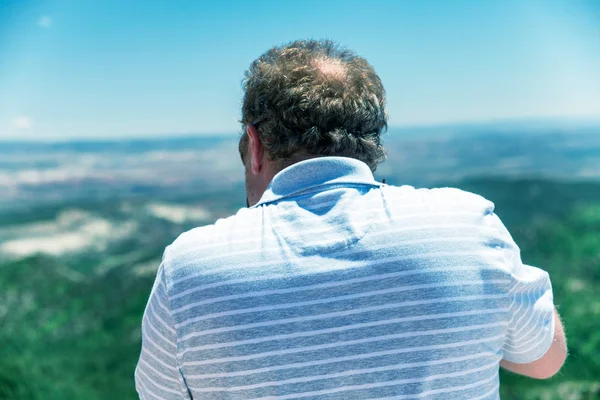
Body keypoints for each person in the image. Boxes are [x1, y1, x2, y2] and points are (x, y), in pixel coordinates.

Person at [135, 39, 566, 399]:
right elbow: (545, 360)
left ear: (256, 146)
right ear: (371, 140)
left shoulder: (189, 269)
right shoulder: (469, 226)